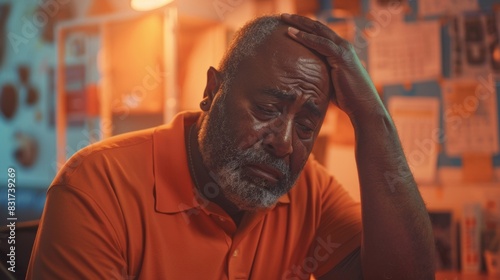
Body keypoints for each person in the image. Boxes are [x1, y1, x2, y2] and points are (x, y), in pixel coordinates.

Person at [27, 14, 435, 279]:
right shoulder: (98, 186)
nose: (283, 142)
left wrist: (373, 120)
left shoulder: (312, 193)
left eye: (307, 125)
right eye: (266, 107)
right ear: (212, 92)